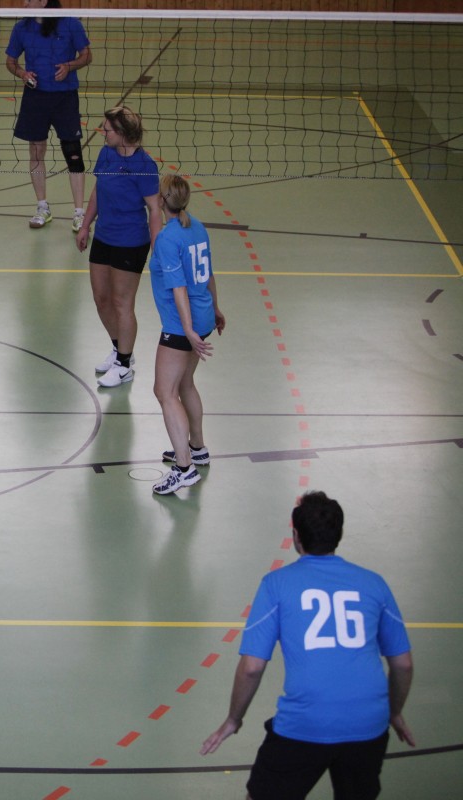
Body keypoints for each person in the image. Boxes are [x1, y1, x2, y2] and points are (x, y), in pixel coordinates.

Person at [201, 491, 416, 800]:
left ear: (296, 537)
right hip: (369, 724)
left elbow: (251, 668)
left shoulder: (276, 584)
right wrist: (393, 713)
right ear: (339, 534)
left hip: (304, 723)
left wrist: (234, 719)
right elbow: (403, 664)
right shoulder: (374, 583)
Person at [147, 174, 226, 495]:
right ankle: (197, 448)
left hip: (181, 326)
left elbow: (178, 287)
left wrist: (189, 330)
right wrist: (215, 309)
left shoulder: (167, 239)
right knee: (185, 383)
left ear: (162, 200)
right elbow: (209, 274)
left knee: (164, 392)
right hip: (203, 315)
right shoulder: (197, 227)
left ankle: (183, 469)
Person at [75, 105, 162, 388]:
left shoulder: (145, 166)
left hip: (131, 241)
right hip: (104, 236)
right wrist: (85, 225)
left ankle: (124, 366)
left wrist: (157, 247)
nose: (103, 133)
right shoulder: (106, 153)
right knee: (101, 298)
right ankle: (119, 349)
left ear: (123, 133)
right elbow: (97, 191)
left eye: (108, 129)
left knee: (122, 303)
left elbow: (155, 209)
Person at [4, 0, 91, 232]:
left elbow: (86, 56)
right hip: (35, 97)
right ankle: (42, 207)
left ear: (43, 1)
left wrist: (69, 66)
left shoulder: (71, 24)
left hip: (65, 98)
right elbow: (10, 62)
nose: (24, 3)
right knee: (36, 151)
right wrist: (22, 73)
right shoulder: (21, 27)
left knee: (73, 153)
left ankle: (79, 213)